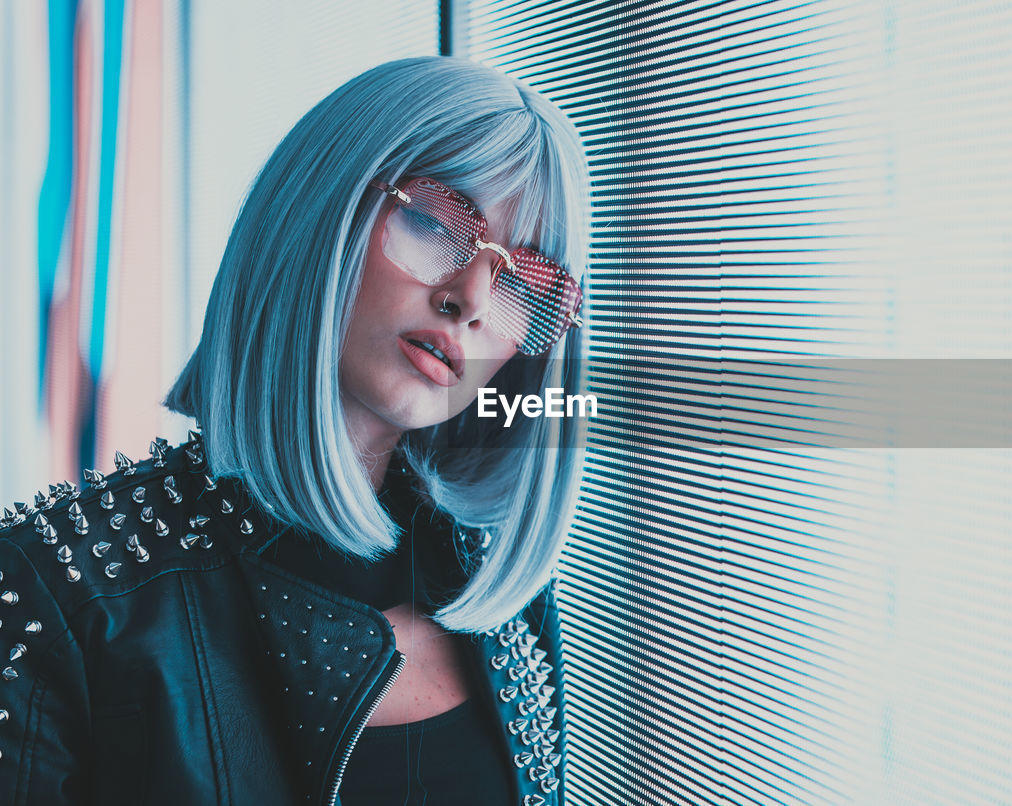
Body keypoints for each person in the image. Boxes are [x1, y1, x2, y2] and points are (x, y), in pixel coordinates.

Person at [0, 56, 590, 806]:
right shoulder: (50, 591)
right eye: (437, 224)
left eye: (519, 283)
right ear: (320, 210)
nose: (470, 299)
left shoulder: (504, 598)